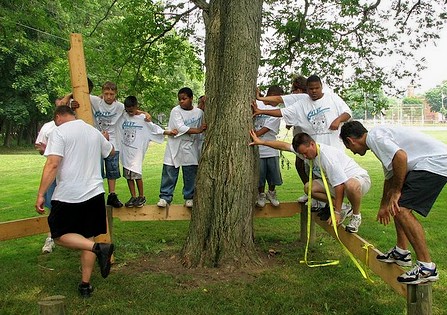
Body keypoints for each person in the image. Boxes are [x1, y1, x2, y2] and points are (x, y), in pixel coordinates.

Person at [340, 121, 447, 284]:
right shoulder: (377, 139)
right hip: (428, 163)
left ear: (351, 140)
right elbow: (390, 177)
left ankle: (427, 267)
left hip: (434, 164)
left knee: (402, 209)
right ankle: (401, 252)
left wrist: (397, 192)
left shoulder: (375, 138)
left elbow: (401, 157)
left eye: (350, 149)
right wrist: (384, 205)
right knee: (395, 205)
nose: (353, 153)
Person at [35, 105, 115, 298]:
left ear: (58, 117)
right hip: (95, 193)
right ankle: (85, 286)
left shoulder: (59, 131)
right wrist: (105, 141)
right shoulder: (93, 131)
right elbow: (111, 153)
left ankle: (98, 249)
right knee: (88, 236)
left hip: (68, 194)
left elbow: (53, 163)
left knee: (58, 235)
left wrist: (41, 194)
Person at [253, 75, 352, 207]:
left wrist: (338, 120)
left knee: (338, 179)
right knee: (317, 178)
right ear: (307, 89)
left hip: (333, 147)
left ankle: (341, 208)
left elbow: (347, 112)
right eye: (311, 89)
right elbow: (282, 110)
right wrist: (260, 107)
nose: (314, 91)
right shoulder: (302, 103)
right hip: (313, 149)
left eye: (317, 88)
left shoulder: (332, 98)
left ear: (321, 87)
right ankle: (325, 205)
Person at [250, 131, 370, 233]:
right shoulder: (305, 151)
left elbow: (339, 185)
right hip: (337, 182)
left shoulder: (327, 157)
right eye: (302, 154)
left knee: (350, 185)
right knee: (309, 188)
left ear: (312, 144)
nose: (304, 157)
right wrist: (261, 142)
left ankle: (356, 216)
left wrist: (336, 213)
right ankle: (343, 207)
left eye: (305, 153)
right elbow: (283, 146)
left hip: (358, 180)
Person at [120, 96, 178, 208]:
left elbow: (154, 129)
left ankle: (141, 196)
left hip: (136, 154)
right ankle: (133, 196)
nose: (130, 112)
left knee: (137, 175)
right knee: (128, 176)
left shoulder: (143, 119)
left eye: (132, 110)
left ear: (136, 107)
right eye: (127, 110)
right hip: (126, 153)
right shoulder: (123, 116)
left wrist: (169, 132)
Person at [157, 87, 206, 208]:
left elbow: (202, 127)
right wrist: (198, 130)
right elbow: (180, 127)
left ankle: (189, 197)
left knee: (190, 172)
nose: (181, 101)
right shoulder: (176, 111)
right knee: (170, 171)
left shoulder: (199, 113)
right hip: (176, 145)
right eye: (179, 99)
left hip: (190, 146)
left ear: (191, 98)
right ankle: (165, 197)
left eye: (184, 99)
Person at [34, 97, 67, 253]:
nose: (61, 104)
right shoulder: (48, 127)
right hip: (54, 173)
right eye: (59, 102)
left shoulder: (72, 126)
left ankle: (80, 238)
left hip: (70, 174)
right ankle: (50, 238)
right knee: (52, 206)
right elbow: (40, 148)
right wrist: (47, 149)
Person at [90, 81, 125, 208]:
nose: (109, 97)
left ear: (115, 94)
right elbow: (80, 95)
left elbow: (132, 110)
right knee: (96, 169)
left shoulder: (120, 106)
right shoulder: (95, 101)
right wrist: (70, 100)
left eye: (111, 94)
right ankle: (96, 194)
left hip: (112, 140)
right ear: (102, 93)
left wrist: (145, 113)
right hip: (97, 139)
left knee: (112, 169)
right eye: (106, 94)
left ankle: (112, 194)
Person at [254, 85, 284, 208]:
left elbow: (266, 129)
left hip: (271, 147)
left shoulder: (277, 111)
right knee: (260, 173)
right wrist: (257, 92)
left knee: (273, 173)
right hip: (258, 148)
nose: (277, 101)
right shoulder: (258, 103)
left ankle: (271, 193)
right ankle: (260, 194)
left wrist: (253, 135)